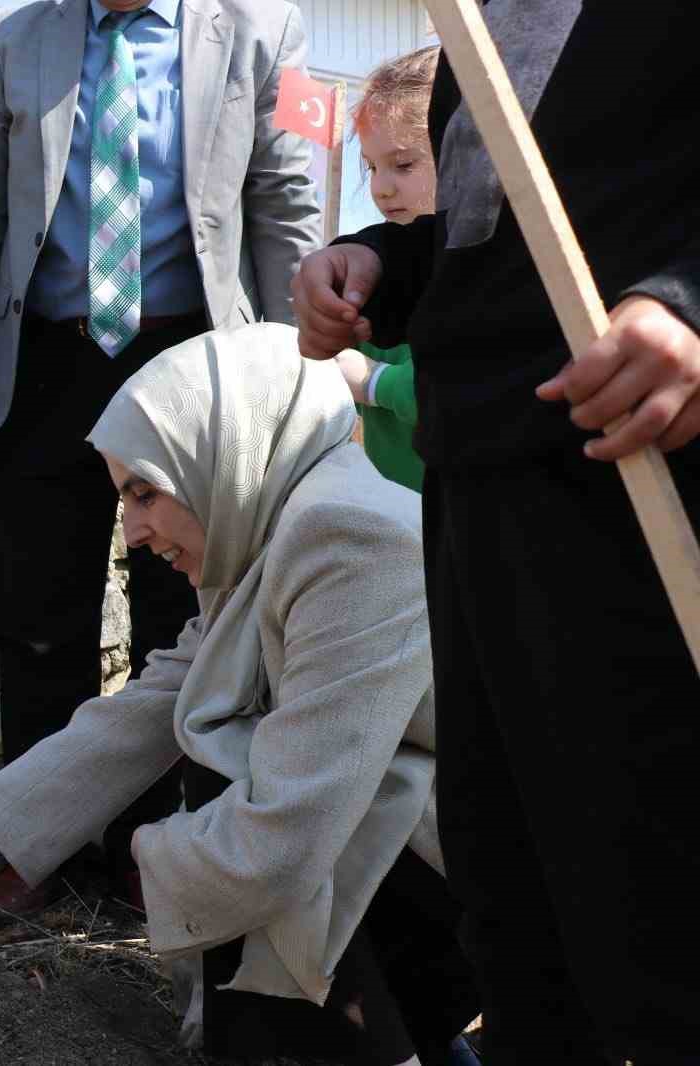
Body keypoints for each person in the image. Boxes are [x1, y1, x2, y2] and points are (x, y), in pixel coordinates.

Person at [0, 323, 480, 1066]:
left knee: (227, 764)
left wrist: (152, 856)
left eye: (145, 492)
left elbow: (294, 825)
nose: (134, 532)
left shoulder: (345, 535)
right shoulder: (277, 525)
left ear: (225, 450)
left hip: (468, 892)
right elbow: (140, 714)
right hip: (401, 872)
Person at [290, 6, 700, 1061]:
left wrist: (687, 306)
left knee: (651, 899)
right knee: (512, 886)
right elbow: (495, 246)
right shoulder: (484, 24)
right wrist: (379, 262)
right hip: (477, 482)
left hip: (633, 482)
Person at [0, 0, 321, 924]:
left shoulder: (265, 33)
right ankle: (36, 853)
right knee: (38, 622)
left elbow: (286, 202)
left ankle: (156, 851)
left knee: (185, 620)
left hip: (196, 363)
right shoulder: (14, 40)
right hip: (45, 364)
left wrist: (302, 375)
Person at [331, 45, 438, 493]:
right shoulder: (372, 269)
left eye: (404, 165)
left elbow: (460, 376)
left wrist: (375, 383)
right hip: (392, 508)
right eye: (372, 167)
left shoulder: (474, 267)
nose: (380, 188)